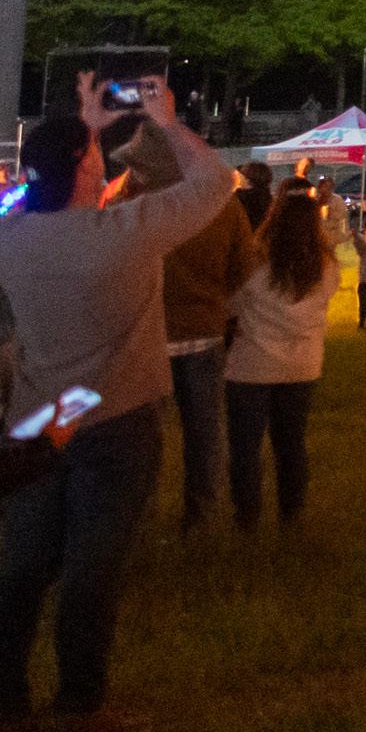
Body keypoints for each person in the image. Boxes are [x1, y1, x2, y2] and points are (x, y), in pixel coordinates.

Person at [0, 74, 233, 732]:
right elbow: (216, 182)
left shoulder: (13, 239)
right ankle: (80, 707)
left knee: (22, 567)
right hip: (115, 420)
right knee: (92, 568)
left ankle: (7, 699)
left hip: (35, 422)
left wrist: (85, 133)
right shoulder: (126, 233)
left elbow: (40, 198)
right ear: (85, 169)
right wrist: (166, 121)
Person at [142, 127, 258, 535]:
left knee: (145, 437)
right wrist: (216, 299)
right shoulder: (223, 206)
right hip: (205, 331)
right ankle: (202, 516)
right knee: (205, 432)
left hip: (149, 335)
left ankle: (141, 515)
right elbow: (244, 266)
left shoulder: (138, 203)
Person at [224, 185, 341, 530]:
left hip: (252, 365)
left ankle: (247, 517)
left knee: (246, 447)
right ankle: (292, 514)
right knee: (291, 443)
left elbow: (230, 304)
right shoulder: (325, 266)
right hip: (302, 364)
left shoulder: (254, 262)